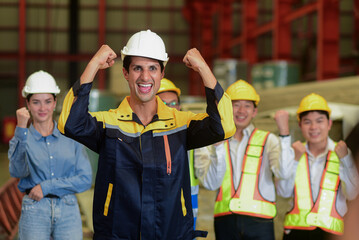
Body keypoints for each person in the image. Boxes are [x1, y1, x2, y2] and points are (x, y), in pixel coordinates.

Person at [57, 29, 236, 239]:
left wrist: (203, 68)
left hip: (171, 234)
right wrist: (94, 64)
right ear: (126, 73)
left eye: (153, 68)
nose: (145, 77)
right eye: (137, 68)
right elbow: (68, 123)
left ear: (162, 73)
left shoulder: (180, 124)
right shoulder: (109, 124)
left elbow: (224, 126)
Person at [195, 79, 292, 240]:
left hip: (261, 223)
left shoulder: (269, 140)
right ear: (225, 109)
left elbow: (284, 172)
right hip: (225, 222)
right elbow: (210, 183)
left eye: (247, 105)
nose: (241, 111)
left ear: (255, 111)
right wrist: (218, 147)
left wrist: (284, 134)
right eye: (235, 104)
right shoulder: (211, 141)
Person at [8, 70, 92, 240]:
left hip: (68, 209)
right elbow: (17, 171)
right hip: (34, 210)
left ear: (55, 103)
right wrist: (21, 130)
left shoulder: (70, 138)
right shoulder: (21, 138)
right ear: (28, 104)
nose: (42, 108)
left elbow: (85, 178)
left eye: (47, 101)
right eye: (36, 102)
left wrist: (47, 187)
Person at [274, 93, 359, 240]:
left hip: (330, 233)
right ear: (300, 125)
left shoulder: (343, 154)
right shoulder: (294, 152)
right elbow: (283, 191)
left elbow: (353, 194)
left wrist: (345, 159)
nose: (314, 127)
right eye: (307, 122)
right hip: (296, 232)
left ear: (329, 124)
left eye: (319, 121)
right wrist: (294, 160)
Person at [156, 78, 200, 229]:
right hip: (153, 215)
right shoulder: (140, 138)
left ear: (180, 107)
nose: (170, 108)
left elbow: (210, 181)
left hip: (184, 217)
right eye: (163, 104)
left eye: (173, 103)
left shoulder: (192, 137)